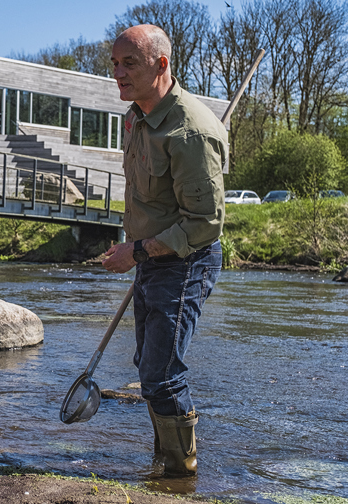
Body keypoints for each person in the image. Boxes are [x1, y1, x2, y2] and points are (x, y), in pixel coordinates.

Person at [102, 24, 226, 477]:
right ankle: (165, 462)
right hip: (151, 260)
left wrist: (135, 252)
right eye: (114, 63)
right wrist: (138, 252)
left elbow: (205, 222)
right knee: (149, 366)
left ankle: (180, 471)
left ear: (162, 64)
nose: (118, 72)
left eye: (128, 62)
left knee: (160, 373)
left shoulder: (191, 131)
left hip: (186, 261)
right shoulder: (135, 116)